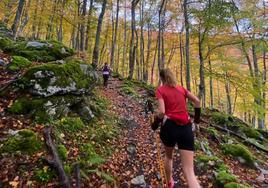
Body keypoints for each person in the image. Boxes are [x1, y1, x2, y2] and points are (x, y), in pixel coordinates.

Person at [151, 68, 201, 188]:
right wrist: (197, 122)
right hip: (186, 128)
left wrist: (155, 124)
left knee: (168, 156)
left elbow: (162, 112)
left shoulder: (160, 90)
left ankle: (169, 183)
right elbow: (197, 101)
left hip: (170, 128)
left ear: (162, 78)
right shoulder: (181, 89)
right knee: (189, 172)